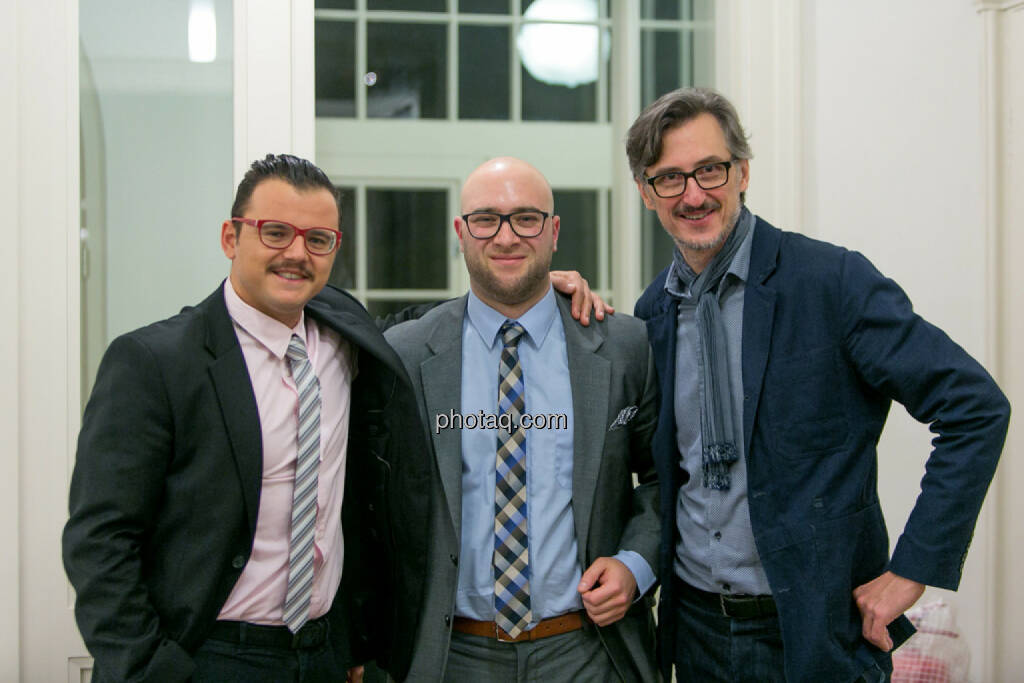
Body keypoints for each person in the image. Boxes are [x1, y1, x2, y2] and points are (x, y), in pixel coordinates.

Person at [627, 87, 1011, 682]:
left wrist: (912, 569)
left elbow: (975, 408)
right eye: (670, 179)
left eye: (710, 169)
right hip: (696, 632)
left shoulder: (831, 282)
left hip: (814, 631)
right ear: (647, 194)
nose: (694, 194)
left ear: (743, 171)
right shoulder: (653, 312)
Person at [62, 154, 434, 683]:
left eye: (318, 239)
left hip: (325, 653)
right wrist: (150, 669)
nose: (297, 254)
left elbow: (415, 323)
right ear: (231, 238)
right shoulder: (154, 362)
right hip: (209, 654)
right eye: (275, 232)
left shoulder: (343, 336)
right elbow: (99, 540)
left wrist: (536, 293)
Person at [385, 157, 660, 682]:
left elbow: (663, 481)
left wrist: (636, 564)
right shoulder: (408, 352)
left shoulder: (625, 347)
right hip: (452, 655)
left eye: (526, 219)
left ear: (553, 231)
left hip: (585, 650)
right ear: (460, 233)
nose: (506, 237)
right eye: (486, 219)